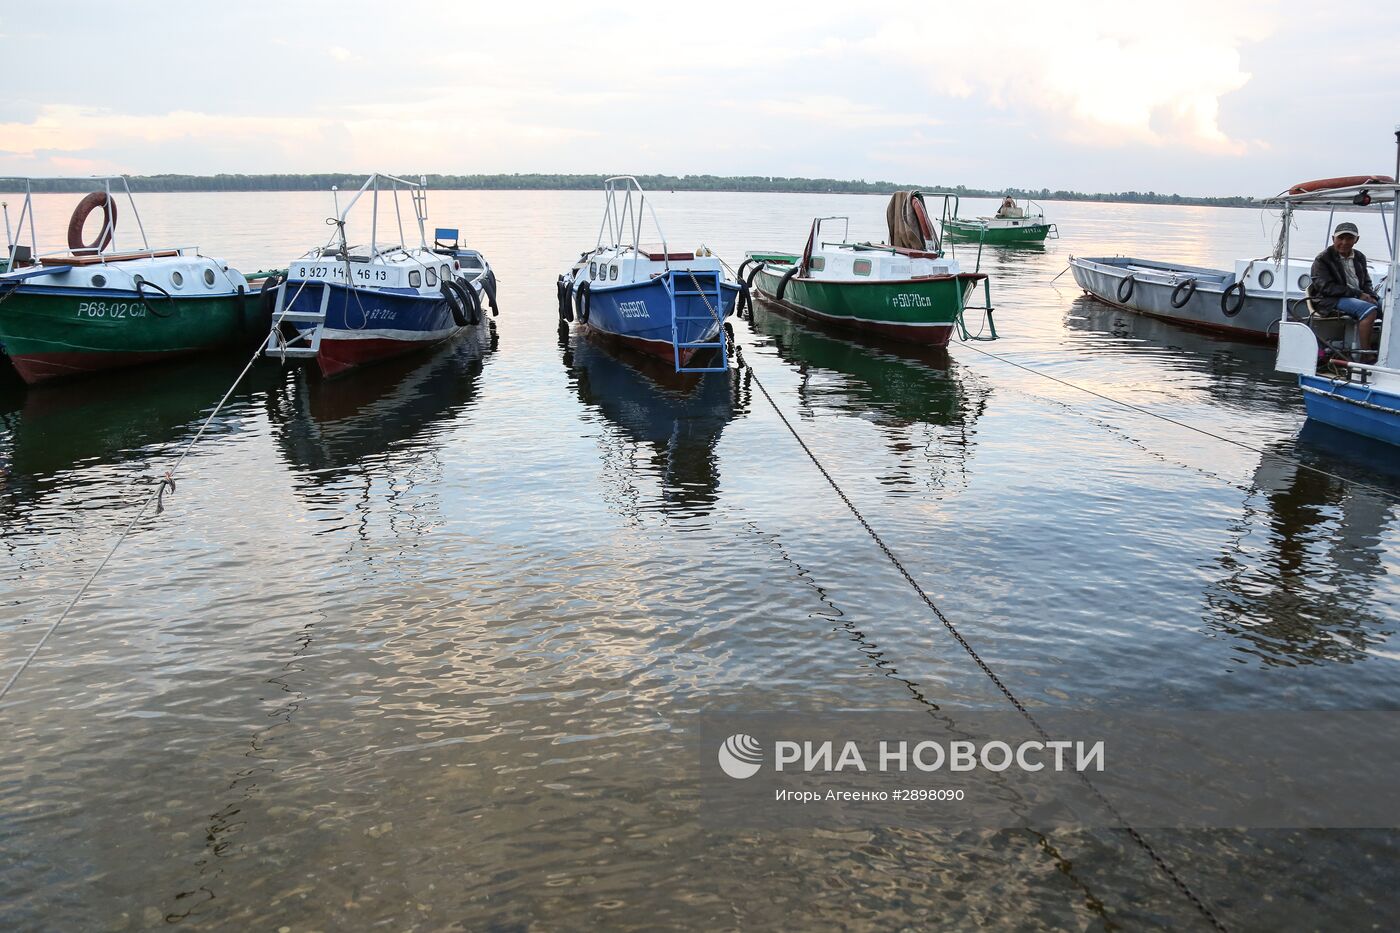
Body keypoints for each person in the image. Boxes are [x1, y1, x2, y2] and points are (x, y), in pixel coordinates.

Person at [1310, 221, 1380, 352]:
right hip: (1329, 299)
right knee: (1370, 311)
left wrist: (1371, 295)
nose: (1344, 242)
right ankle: (1366, 354)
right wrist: (1358, 294)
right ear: (1333, 239)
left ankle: (1385, 350)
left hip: (1355, 296)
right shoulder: (1323, 259)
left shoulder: (1359, 256)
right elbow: (1326, 288)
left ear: (1356, 240)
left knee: (1389, 308)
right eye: (1340, 238)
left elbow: (1366, 282)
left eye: (1349, 238)